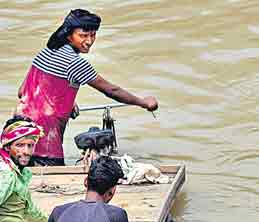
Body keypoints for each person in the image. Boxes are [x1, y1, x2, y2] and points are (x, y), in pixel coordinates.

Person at [17, 9, 159, 166]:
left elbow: (23, 90)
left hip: (17, 129)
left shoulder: (47, 52)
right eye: (83, 36)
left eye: (93, 35)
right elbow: (111, 91)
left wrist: (67, 102)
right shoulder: (75, 62)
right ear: (68, 35)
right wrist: (144, 102)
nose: (89, 40)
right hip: (44, 135)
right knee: (53, 177)